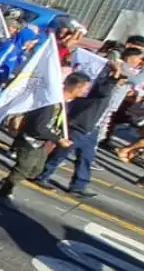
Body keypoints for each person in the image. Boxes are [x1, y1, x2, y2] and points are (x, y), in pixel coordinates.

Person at [35, 52, 143, 197]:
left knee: (86, 157)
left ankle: (79, 185)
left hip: (93, 127)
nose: (123, 81)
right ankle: (41, 175)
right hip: (81, 125)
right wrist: (114, 75)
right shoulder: (101, 81)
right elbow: (103, 90)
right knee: (61, 153)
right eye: (122, 77)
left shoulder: (113, 85)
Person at [0, 72, 92, 199]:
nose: (86, 91)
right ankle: (4, 191)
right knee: (24, 168)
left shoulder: (63, 102)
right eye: (85, 88)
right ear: (76, 87)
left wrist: (59, 135)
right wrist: (58, 139)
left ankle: (2, 183)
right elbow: (39, 128)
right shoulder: (51, 102)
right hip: (30, 139)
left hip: (42, 142)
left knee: (36, 170)